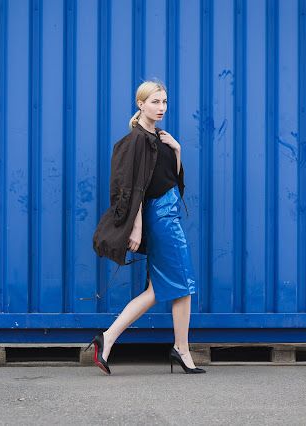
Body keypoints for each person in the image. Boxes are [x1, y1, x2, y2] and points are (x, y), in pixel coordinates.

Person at [88, 81, 204, 375]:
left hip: (168, 213)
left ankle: (108, 338)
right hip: (160, 217)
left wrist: (177, 150)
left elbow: (171, 180)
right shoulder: (137, 140)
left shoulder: (159, 138)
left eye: (164, 101)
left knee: (163, 288)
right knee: (183, 283)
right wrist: (137, 227)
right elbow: (134, 188)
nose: (161, 107)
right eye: (155, 101)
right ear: (140, 104)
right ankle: (181, 349)